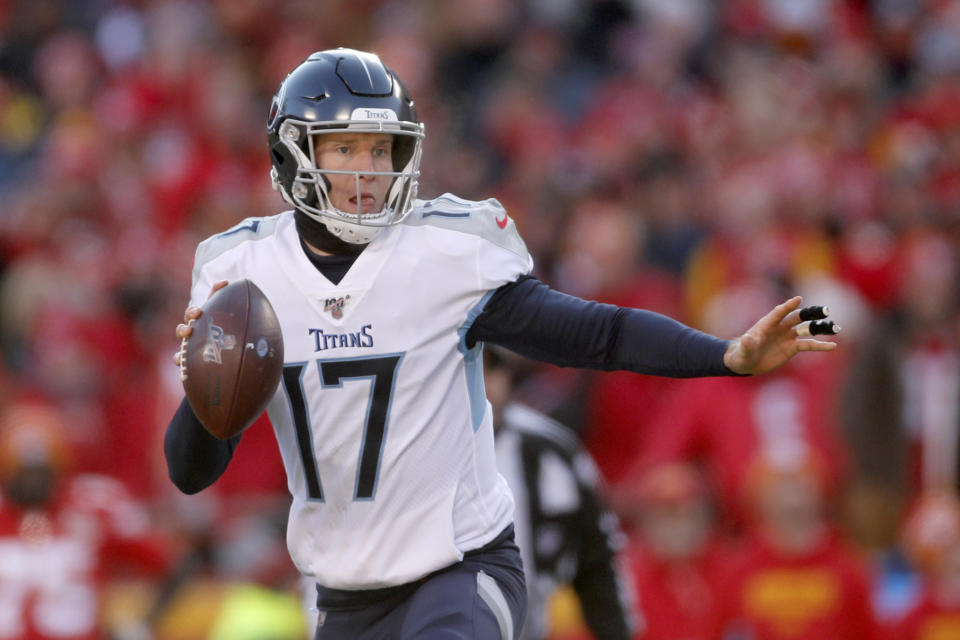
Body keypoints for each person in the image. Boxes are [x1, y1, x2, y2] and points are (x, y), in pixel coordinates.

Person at [165, 48, 838, 640]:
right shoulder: (245, 271)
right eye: (346, 149)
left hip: (460, 569)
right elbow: (190, 472)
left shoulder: (444, 252)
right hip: (344, 596)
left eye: (381, 149)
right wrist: (209, 390)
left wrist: (723, 354)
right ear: (295, 152)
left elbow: (594, 335)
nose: (369, 169)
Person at [483, 346, 636, 639]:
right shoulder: (417, 452)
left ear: (507, 375)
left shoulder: (552, 452)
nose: (480, 383)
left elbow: (598, 555)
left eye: (490, 369)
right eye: (467, 370)